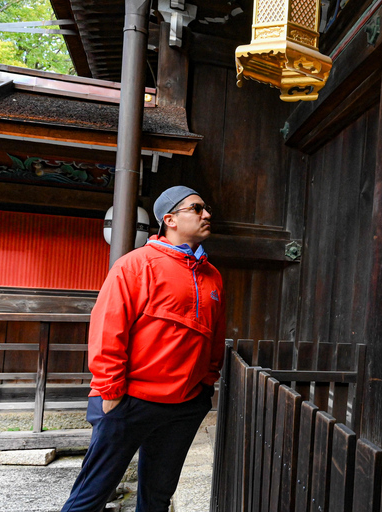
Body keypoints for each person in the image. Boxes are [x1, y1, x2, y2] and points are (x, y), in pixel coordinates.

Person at [62, 186, 226, 512]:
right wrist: (110, 392)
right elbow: (109, 329)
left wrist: (206, 382)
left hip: (185, 404)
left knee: (157, 499)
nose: (207, 214)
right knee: (90, 497)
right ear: (170, 219)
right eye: (197, 208)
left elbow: (215, 336)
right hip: (129, 400)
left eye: (206, 208)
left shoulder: (213, 276)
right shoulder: (135, 265)